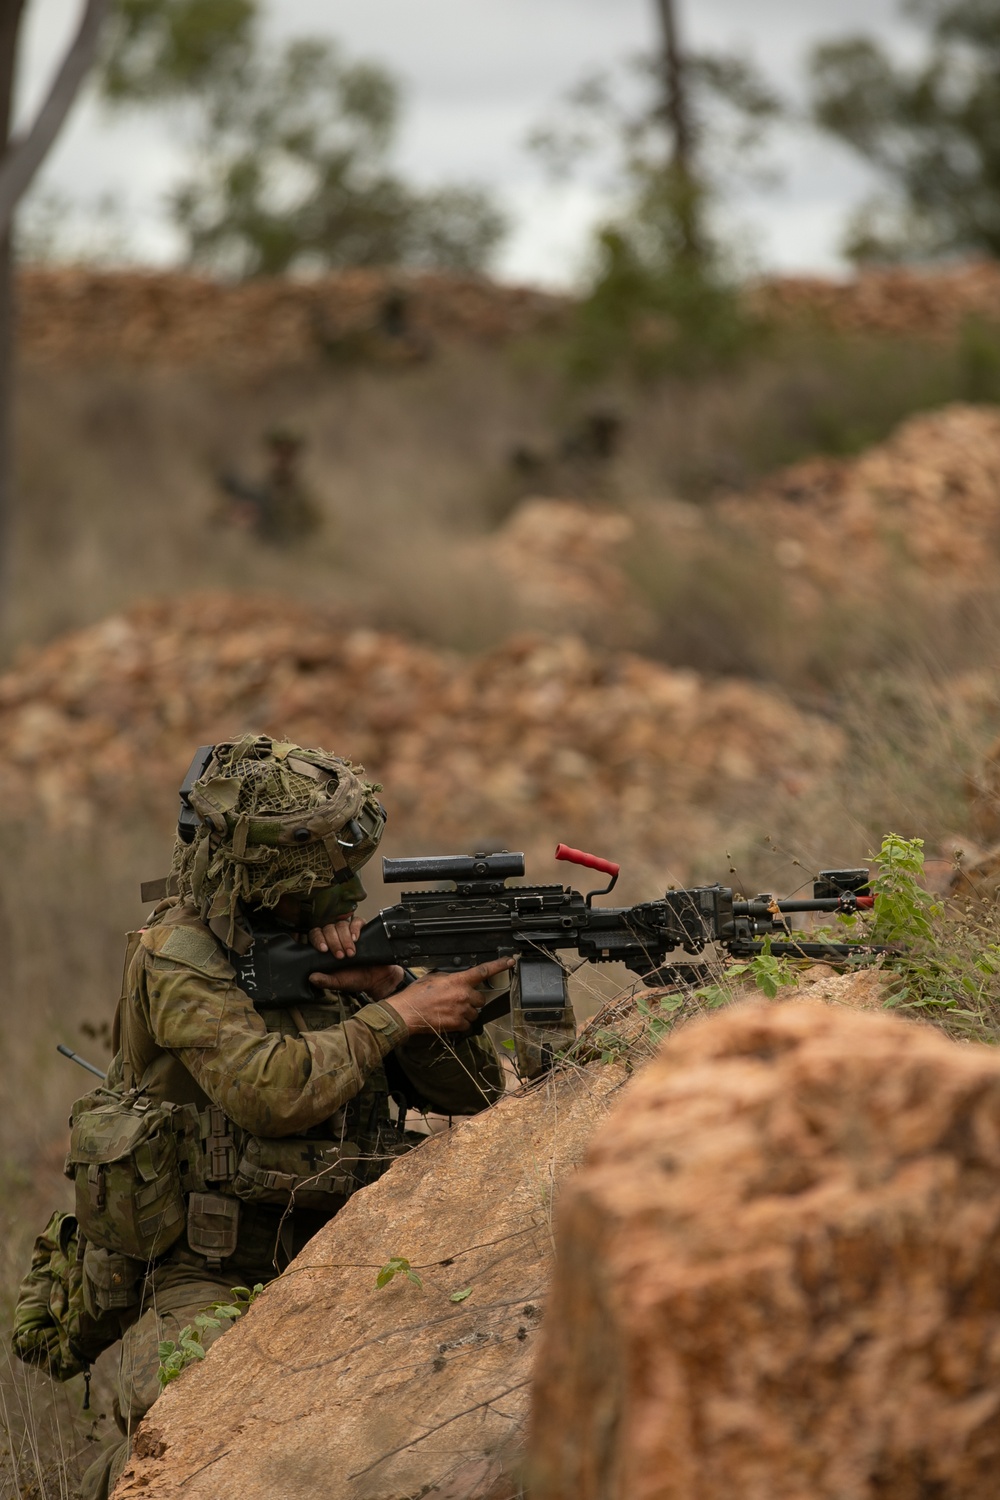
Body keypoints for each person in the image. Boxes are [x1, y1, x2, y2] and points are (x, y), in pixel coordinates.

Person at [56, 734, 505, 1499]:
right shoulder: (180, 954)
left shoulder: (338, 950)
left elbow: (475, 1096)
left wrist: (390, 982)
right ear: (272, 874)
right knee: (195, 1447)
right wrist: (394, 1017)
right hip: (209, 1269)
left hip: (342, 1252)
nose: (345, 894)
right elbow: (264, 1090)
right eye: (326, 877)